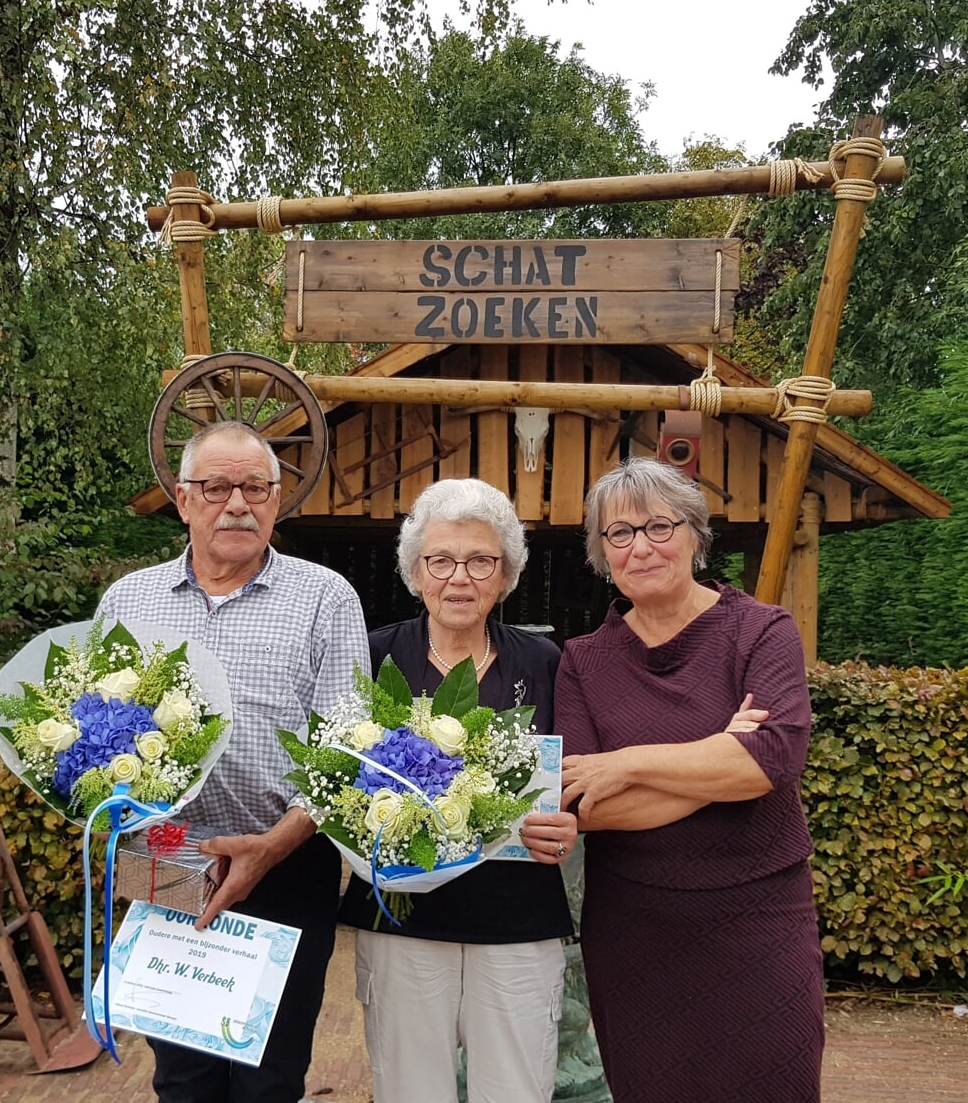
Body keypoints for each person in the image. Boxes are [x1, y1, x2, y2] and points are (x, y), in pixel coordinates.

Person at [94, 420, 370, 1103]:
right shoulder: (127, 601)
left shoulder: (325, 598)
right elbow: (90, 738)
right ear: (183, 498)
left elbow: (346, 747)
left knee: (268, 1081)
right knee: (181, 1079)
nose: (238, 503)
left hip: (285, 860)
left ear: (277, 500)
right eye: (217, 486)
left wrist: (275, 845)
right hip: (163, 858)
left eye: (256, 486)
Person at [554, 457, 824, 1101]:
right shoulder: (583, 661)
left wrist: (626, 762)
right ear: (602, 553)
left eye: (658, 526)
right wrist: (722, 753)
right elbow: (584, 805)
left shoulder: (762, 630)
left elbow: (773, 759)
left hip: (759, 916)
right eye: (619, 534)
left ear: (696, 536)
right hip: (636, 930)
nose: (640, 547)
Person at [338, 478, 580, 1103]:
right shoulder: (369, 658)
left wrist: (569, 818)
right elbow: (333, 778)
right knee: (411, 1090)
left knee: (517, 1091)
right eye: (441, 560)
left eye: (481, 561)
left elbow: (576, 777)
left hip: (519, 919)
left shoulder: (546, 663)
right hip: (403, 922)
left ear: (505, 576)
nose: (460, 578)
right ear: (416, 574)